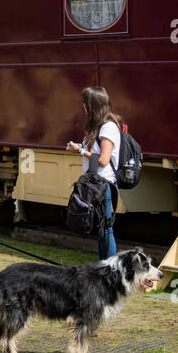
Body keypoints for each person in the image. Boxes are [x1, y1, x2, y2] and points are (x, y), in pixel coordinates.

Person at [66, 85, 122, 259]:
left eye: (85, 103)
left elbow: (103, 160)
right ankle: (104, 266)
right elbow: (97, 154)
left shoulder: (108, 127)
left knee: (106, 228)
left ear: (91, 106)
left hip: (103, 185)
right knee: (101, 229)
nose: (83, 107)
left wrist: (80, 151)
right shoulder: (98, 127)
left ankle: (110, 268)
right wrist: (81, 147)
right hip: (95, 183)